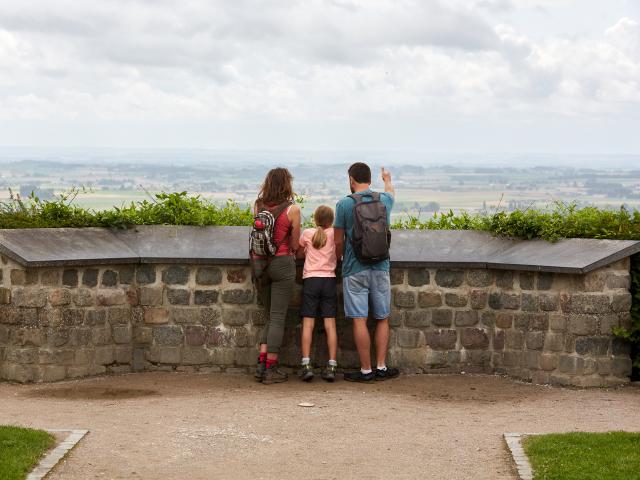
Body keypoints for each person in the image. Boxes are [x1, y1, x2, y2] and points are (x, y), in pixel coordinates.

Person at [334, 162, 399, 382]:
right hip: (381, 266)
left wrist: (339, 261)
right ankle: (381, 366)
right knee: (382, 318)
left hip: (354, 268)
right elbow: (391, 192)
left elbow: (337, 240)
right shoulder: (385, 201)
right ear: (370, 180)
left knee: (359, 320)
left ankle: (366, 370)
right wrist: (387, 179)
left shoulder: (344, 204)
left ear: (351, 180)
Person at [252, 168, 301, 384]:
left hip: (260, 265)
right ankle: (271, 368)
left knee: (271, 315)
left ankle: (261, 364)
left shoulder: (258, 205)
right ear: (287, 185)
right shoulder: (293, 210)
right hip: (282, 264)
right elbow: (295, 244)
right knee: (278, 316)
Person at [297, 205, 339, 382]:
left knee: (308, 324)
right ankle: (331, 365)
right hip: (329, 280)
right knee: (330, 325)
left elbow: (299, 254)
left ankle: (306, 364)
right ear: (332, 221)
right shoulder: (334, 234)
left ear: (315, 219)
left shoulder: (307, 233)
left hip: (311, 280)